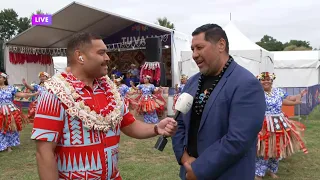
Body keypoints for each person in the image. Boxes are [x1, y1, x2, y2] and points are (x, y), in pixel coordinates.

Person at [30, 32, 177, 180]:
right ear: (80, 56)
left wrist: (157, 128)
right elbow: (44, 153)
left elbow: (129, 125)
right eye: (101, 53)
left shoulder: (110, 90)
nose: (107, 58)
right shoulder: (55, 93)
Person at [171, 24, 266, 180]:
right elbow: (179, 121)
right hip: (189, 171)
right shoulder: (192, 83)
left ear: (221, 45)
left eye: (199, 47)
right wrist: (185, 158)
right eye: (192, 49)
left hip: (227, 174)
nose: (194, 54)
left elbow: (238, 139)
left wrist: (199, 169)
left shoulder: (246, 84)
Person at [255, 72, 308, 180]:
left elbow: (290, 98)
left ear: (272, 81)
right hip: (264, 124)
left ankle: (272, 170)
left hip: (279, 123)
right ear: (259, 81)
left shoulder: (278, 91)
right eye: (263, 79)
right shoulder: (256, 93)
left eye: (268, 79)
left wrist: (300, 95)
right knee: (264, 148)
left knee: (277, 147)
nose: (266, 81)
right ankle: (259, 173)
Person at [0, 71, 38, 152]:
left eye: (0, 77)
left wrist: (33, 94)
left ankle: (8, 145)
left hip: (9, 110)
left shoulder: (10, 88)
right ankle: (2, 144)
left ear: (4, 79)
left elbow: (21, 94)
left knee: (9, 127)